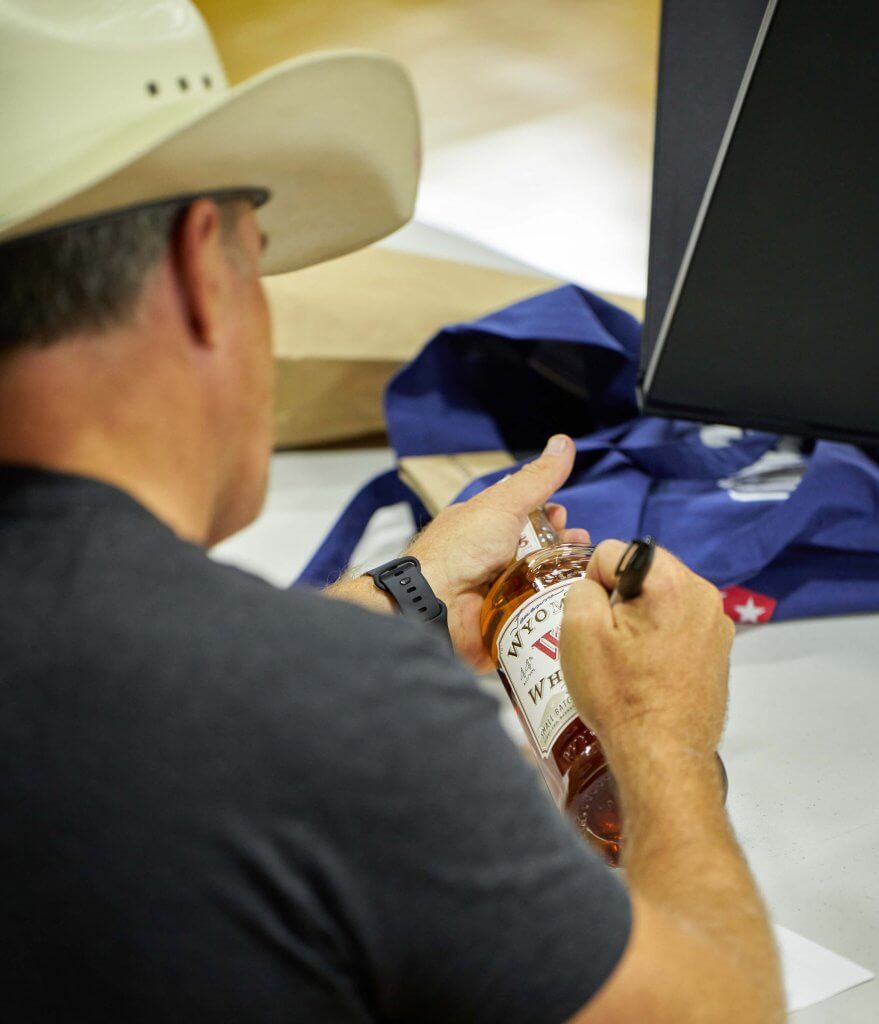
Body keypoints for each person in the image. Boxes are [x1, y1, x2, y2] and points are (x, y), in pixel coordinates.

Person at [0, 2, 783, 1021]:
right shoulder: (341, 727)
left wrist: (401, 599)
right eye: (260, 252)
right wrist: (661, 735)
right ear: (204, 268)